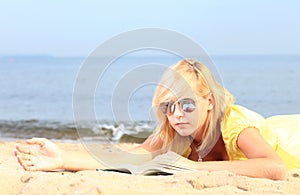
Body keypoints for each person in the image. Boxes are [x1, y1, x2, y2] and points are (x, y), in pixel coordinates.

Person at [14, 59, 300, 180]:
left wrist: (191, 169)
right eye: (168, 106)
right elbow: (132, 156)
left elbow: (275, 168)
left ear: (209, 102)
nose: (176, 114)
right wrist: (63, 159)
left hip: (290, 140)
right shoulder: (175, 129)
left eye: (187, 104)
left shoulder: (235, 125)